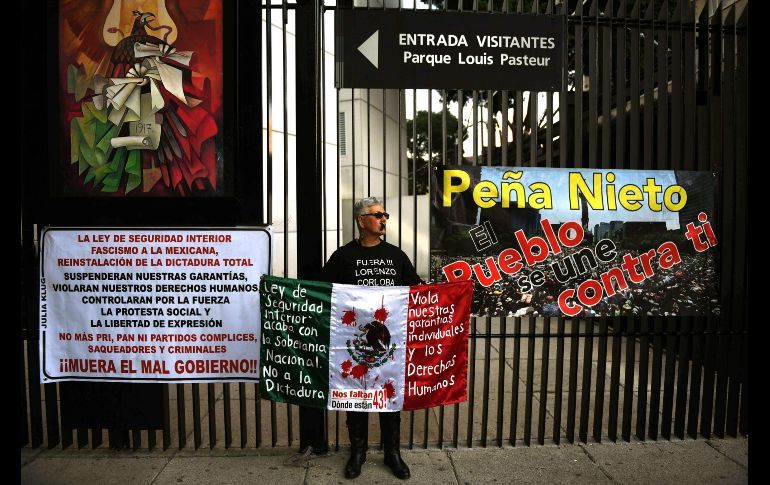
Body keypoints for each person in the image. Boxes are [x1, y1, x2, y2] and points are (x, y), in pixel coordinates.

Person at [321, 196, 421, 480]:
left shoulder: (396, 255)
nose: (383, 219)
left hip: (390, 344)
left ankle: (392, 454)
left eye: (384, 215)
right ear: (361, 220)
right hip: (353, 345)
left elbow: (416, 290)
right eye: (377, 215)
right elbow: (324, 291)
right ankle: (358, 453)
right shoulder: (342, 257)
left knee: (388, 394)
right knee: (356, 396)